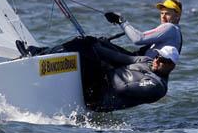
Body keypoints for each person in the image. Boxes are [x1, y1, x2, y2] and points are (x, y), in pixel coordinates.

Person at [16, 37, 179, 112]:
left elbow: (122, 88)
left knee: (84, 51)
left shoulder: (157, 86)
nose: (157, 60)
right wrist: (98, 45)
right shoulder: (146, 61)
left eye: (163, 60)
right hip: (101, 80)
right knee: (85, 42)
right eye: (157, 56)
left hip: (99, 98)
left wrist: (104, 67)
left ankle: (37, 57)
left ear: (171, 66)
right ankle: (38, 53)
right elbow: (119, 57)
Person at [104, 0, 183, 57]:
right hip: (141, 64)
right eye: (162, 13)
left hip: (142, 68)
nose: (163, 16)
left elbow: (138, 39)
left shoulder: (170, 27)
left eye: (167, 14)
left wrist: (121, 21)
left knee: (97, 45)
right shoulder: (177, 32)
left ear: (177, 16)